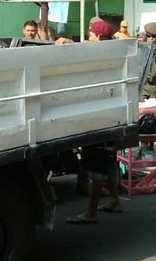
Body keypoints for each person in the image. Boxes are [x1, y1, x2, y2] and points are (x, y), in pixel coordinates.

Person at [67, 19, 122, 224]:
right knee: (107, 161)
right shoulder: (115, 54)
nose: (88, 38)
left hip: (97, 117)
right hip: (110, 115)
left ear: (98, 37)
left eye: (90, 35)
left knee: (96, 166)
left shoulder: (98, 57)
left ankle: (91, 211)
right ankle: (115, 200)